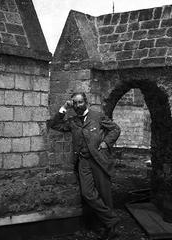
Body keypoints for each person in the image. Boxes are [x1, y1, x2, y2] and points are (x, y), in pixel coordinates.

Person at [47, 92, 121, 240]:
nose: (78, 105)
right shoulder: (73, 121)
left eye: (80, 102)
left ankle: (110, 228)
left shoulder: (97, 116)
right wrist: (63, 108)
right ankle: (112, 219)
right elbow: (54, 125)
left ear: (86, 102)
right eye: (75, 103)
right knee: (88, 194)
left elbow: (115, 129)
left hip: (99, 160)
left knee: (104, 194)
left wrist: (106, 143)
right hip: (83, 162)